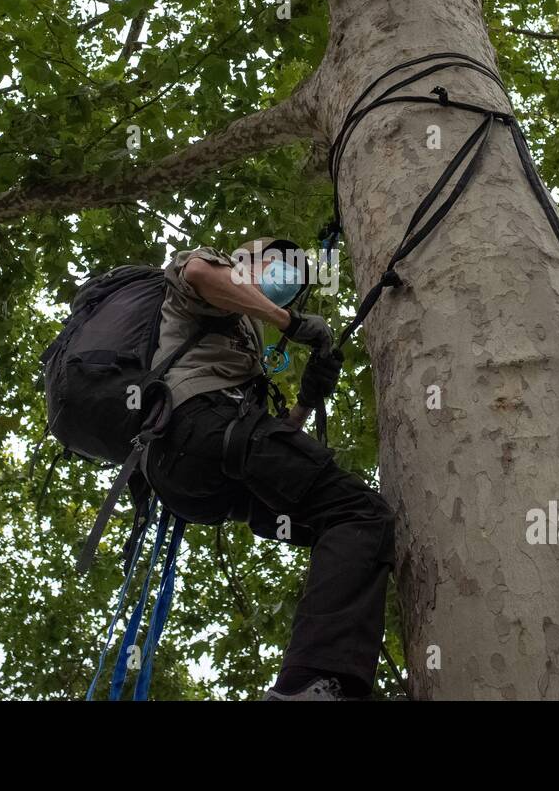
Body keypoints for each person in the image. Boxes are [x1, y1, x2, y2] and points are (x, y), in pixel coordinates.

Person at [147, 237, 396, 700]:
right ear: (245, 257)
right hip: (198, 426)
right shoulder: (206, 270)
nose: (290, 279)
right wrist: (290, 321)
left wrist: (306, 399)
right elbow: (202, 276)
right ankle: (310, 684)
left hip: (213, 474)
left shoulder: (246, 337)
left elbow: (262, 440)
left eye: (298, 279)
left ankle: (324, 675)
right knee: (360, 513)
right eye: (283, 265)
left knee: (352, 532)